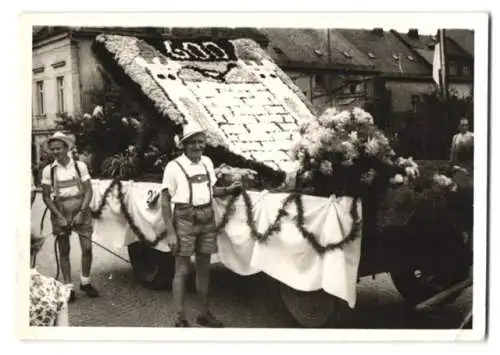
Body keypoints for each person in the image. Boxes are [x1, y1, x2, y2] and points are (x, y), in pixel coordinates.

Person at [161, 123, 242, 327]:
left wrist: (229, 189)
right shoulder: (173, 167)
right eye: (193, 143)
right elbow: (164, 201)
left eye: (200, 142)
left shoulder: (207, 162)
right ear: (184, 145)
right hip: (184, 218)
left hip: (207, 217)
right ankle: (180, 318)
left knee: (204, 268)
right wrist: (171, 232)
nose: (197, 146)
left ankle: (204, 313)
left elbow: (211, 190)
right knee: (182, 269)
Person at [40, 132, 99, 303]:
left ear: (67, 148)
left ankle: (85, 282)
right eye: (53, 149)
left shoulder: (80, 166)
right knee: (64, 250)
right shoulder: (48, 170)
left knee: (87, 248)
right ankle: (68, 287)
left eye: (58, 148)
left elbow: (88, 190)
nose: (56, 152)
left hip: (81, 208)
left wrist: (81, 211)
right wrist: (58, 216)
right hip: (60, 210)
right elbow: (45, 196)